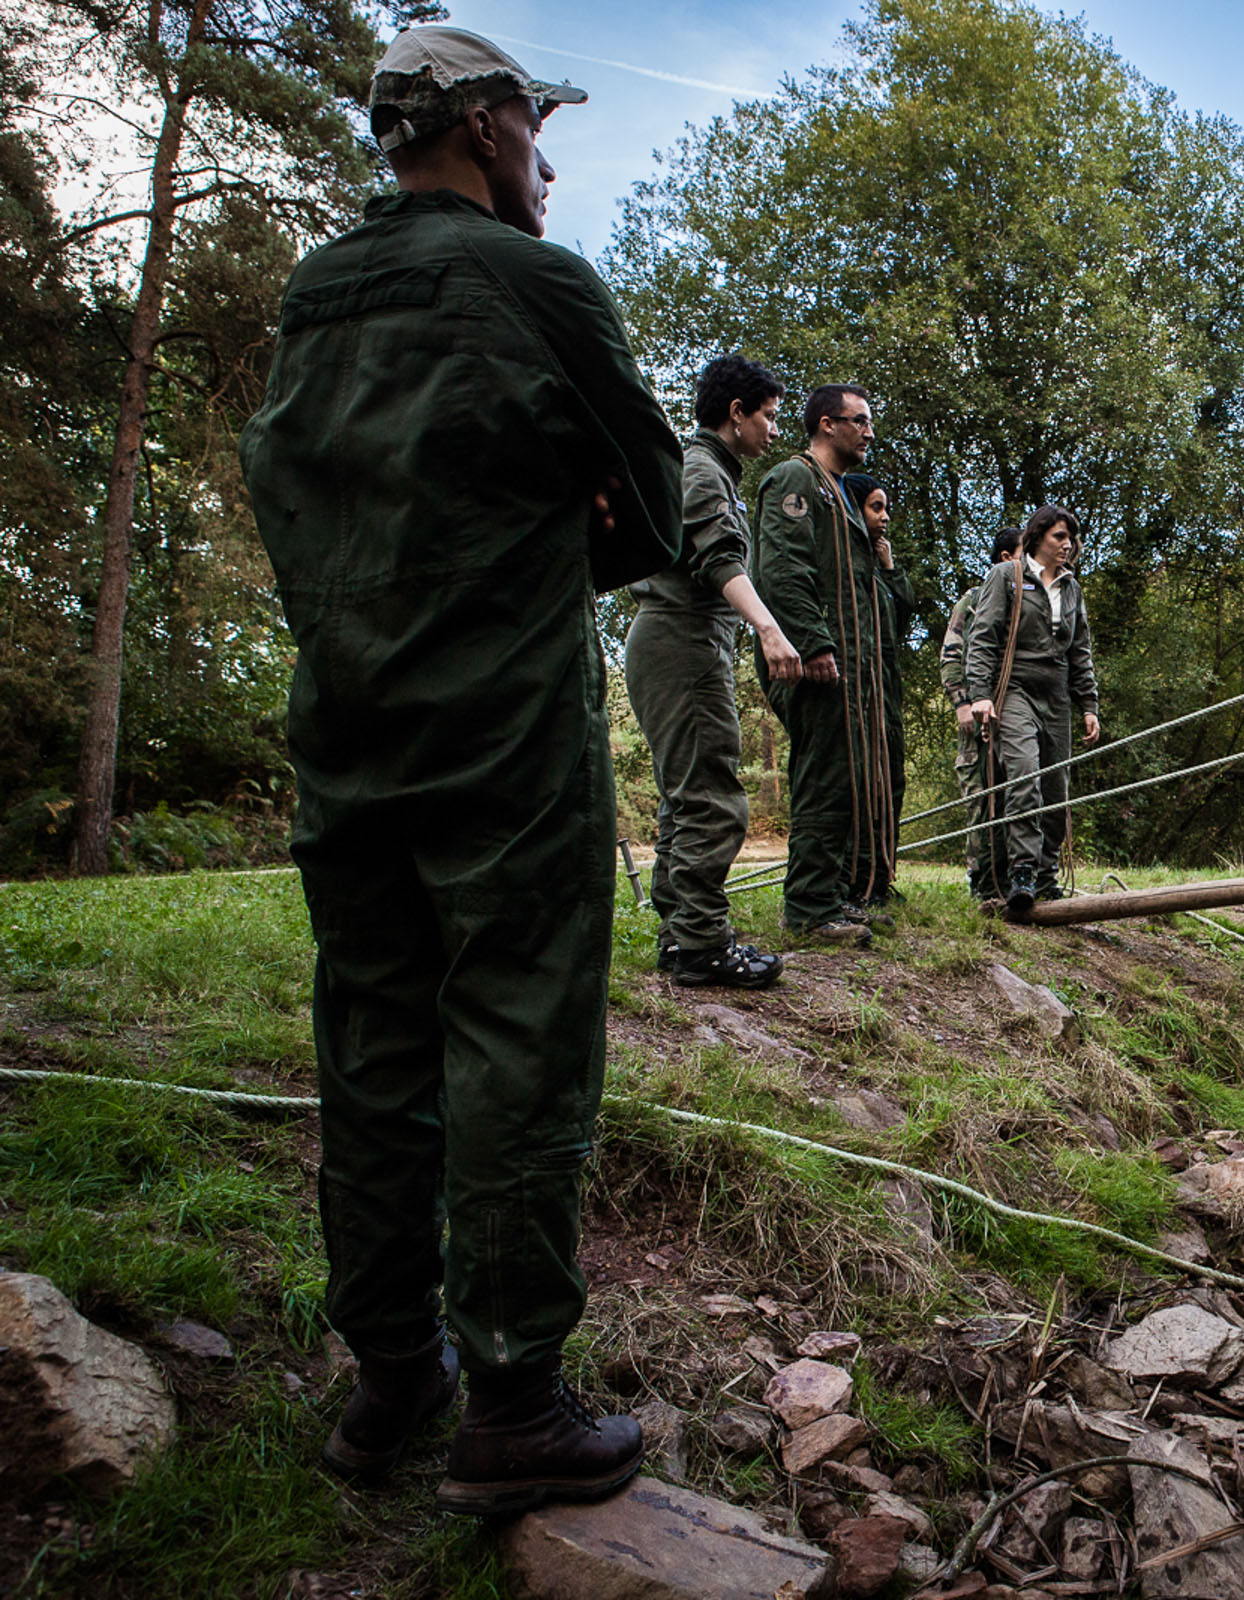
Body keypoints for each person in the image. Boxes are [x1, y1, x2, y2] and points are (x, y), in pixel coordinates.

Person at [237, 26, 678, 1514]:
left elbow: (282, 486)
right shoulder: (535, 280)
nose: (547, 164)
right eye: (535, 133)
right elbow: (656, 498)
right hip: (501, 724)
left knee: (370, 1030)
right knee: (514, 1024)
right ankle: (512, 1400)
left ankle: (387, 1377)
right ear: (485, 128)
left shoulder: (316, 290)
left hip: (347, 714)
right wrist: (555, 549)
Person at [625, 353, 797, 987]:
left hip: (677, 641)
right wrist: (768, 627)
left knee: (685, 798)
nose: (774, 430)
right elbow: (718, 557)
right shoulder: (701, 469)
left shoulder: (709, 467)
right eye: (769, 417)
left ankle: (681, 938)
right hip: (683, 641)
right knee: (713, 799)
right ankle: (701, 945)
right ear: (736, 414)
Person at [751, 386, 890, 943]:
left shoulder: (837, 493)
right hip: (814, 661)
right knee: (824, 775)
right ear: (827, 424)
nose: (869, 431)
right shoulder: (795, 480)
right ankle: (809, 907)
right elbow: (783, 571)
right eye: (860, 420)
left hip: (847, 663)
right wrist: (812, 644)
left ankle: (831, 895)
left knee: (845, 776)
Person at [961, 505, 1099, 920]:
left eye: (1071, 538)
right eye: (1059, 536)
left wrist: (1088, 704)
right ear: (1038, 536)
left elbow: (1081, 651)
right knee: (1024, 774)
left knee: (1056, 788)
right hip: (1014, 686)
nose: (1067, 544)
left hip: (1056, 693)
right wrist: (980, 694)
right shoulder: (1008, 576)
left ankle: (1044, 875)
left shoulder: (1072, 588)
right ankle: (1021, 872)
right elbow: (982, 637)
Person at [940, 526, 1022, 903]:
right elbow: (952, 654)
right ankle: (982, 882)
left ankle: (1015, 879)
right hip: (977, 718)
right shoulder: (973, 600)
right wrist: (961, 702)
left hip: (1015, 716)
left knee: (1017, 796)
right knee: (981, 798)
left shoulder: (1028, 602)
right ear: (1007, 558)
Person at [845, 470, 911, 910]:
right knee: (862, 785)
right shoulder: (846, 563)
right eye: (876, 507)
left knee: (892, 781)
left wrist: (889, 568)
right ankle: (856, 882)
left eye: (886, 507)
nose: (885, 517)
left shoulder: (878, 564)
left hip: (888, 689)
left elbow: (902, 619)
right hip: (858, 686)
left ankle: (881, 878)